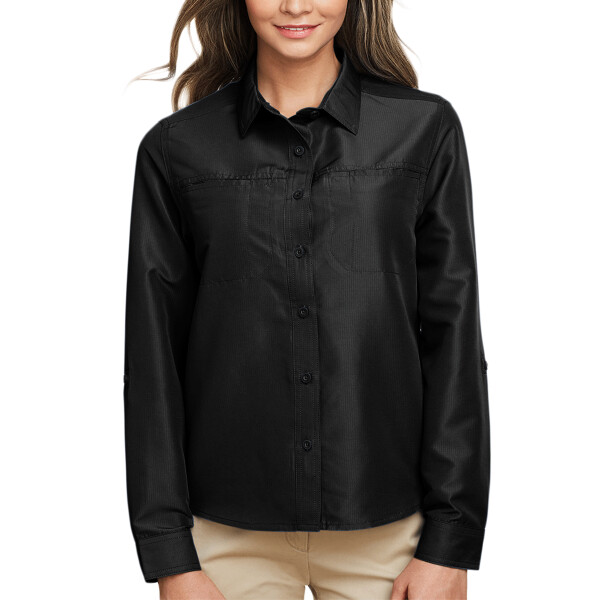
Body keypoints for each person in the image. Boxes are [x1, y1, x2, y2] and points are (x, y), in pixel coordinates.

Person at [123, 1, 491, 598]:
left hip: (391, 534)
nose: (296, 5)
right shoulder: (177, 149)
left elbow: (454, 343)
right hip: (224, 538)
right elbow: (152, 361)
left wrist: (451, 544)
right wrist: (171, 557)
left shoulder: (424, 130)